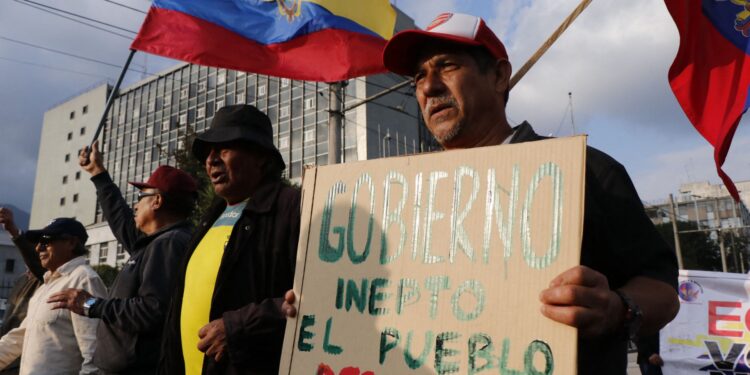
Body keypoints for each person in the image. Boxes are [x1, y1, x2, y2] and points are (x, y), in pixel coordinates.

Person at [284, 12, 680, 374]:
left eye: (447, 66)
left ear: (499, 76)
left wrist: (617, 308)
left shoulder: (587, 172)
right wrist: (319, 295)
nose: (429, 87)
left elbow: (663, 290)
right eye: (419, 77)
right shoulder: (400, 199)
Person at [158, 104, 301, 375]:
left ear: (260, 156)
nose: (210, 160)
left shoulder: (291, 208)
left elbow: (314, 296)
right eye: (208, 153)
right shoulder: (210, 217)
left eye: (223, 149)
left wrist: (237, 327)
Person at [44, 147, 198, 375]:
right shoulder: (154, 243)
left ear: (156, 201)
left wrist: (91, 305)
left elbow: (152, 309)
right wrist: (98, 173)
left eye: (140, 198)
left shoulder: (169, 243)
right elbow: (120, 219)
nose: (135, 205)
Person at [0, 217, 107, 374]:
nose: (38, 248)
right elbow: (18, 338)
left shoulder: (83, 279)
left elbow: (94, 352)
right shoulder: (45, 287)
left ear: (71, 243)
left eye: (46, 242)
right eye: (37, 242)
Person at [0, 208, 43, 375]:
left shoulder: (47, 278)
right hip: (7, 350)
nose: (40, 249)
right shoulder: (21, 279)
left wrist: (12, 229)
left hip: (23, 357)